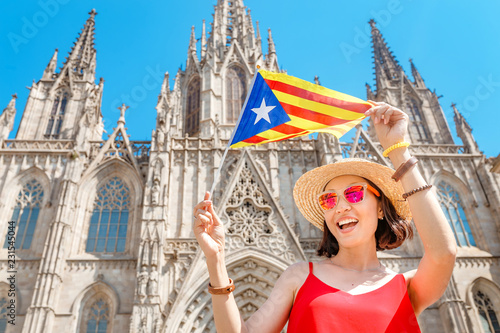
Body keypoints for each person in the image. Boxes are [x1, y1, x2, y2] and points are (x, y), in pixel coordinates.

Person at [193, 101, 457, 332]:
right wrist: (215, 260)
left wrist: (399, 150)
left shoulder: (405, 286)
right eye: (329, 199)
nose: (340, 206)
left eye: (354, 193)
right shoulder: (299, 276)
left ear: (380, 207)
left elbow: (443, 253)